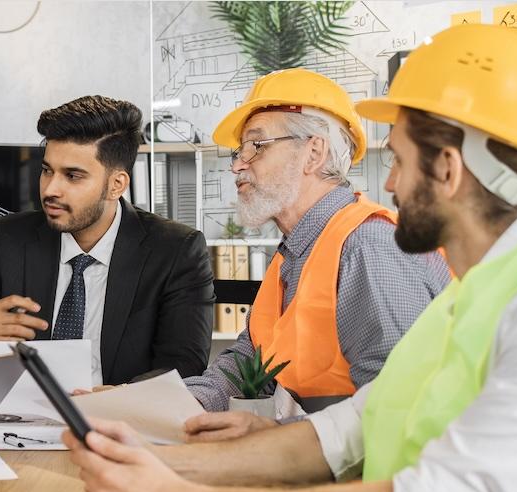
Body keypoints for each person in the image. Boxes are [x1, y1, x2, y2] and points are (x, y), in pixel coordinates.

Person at [65, 24, 517, 492]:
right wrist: (152, 461)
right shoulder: (467, 298)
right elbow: (344, 433)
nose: (393, 186)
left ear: (449, 168)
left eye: (399, 161)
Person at [182, 69, 450, 442]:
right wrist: (179, 406)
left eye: (256, 146)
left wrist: (274, 435)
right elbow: (250, 359)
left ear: (313, 152)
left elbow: (398, 407)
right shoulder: (294, 253)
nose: (237, 164)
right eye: (239, 150)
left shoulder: (366, 246)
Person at [0, 95, 215, 386]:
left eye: (73, 176)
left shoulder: (176, 250)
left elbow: (183, 368)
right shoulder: (9, 239)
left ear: (116, 184)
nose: (50, 189)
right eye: (47, 171)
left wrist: (114, 399)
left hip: (119, 422)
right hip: (17, 419)